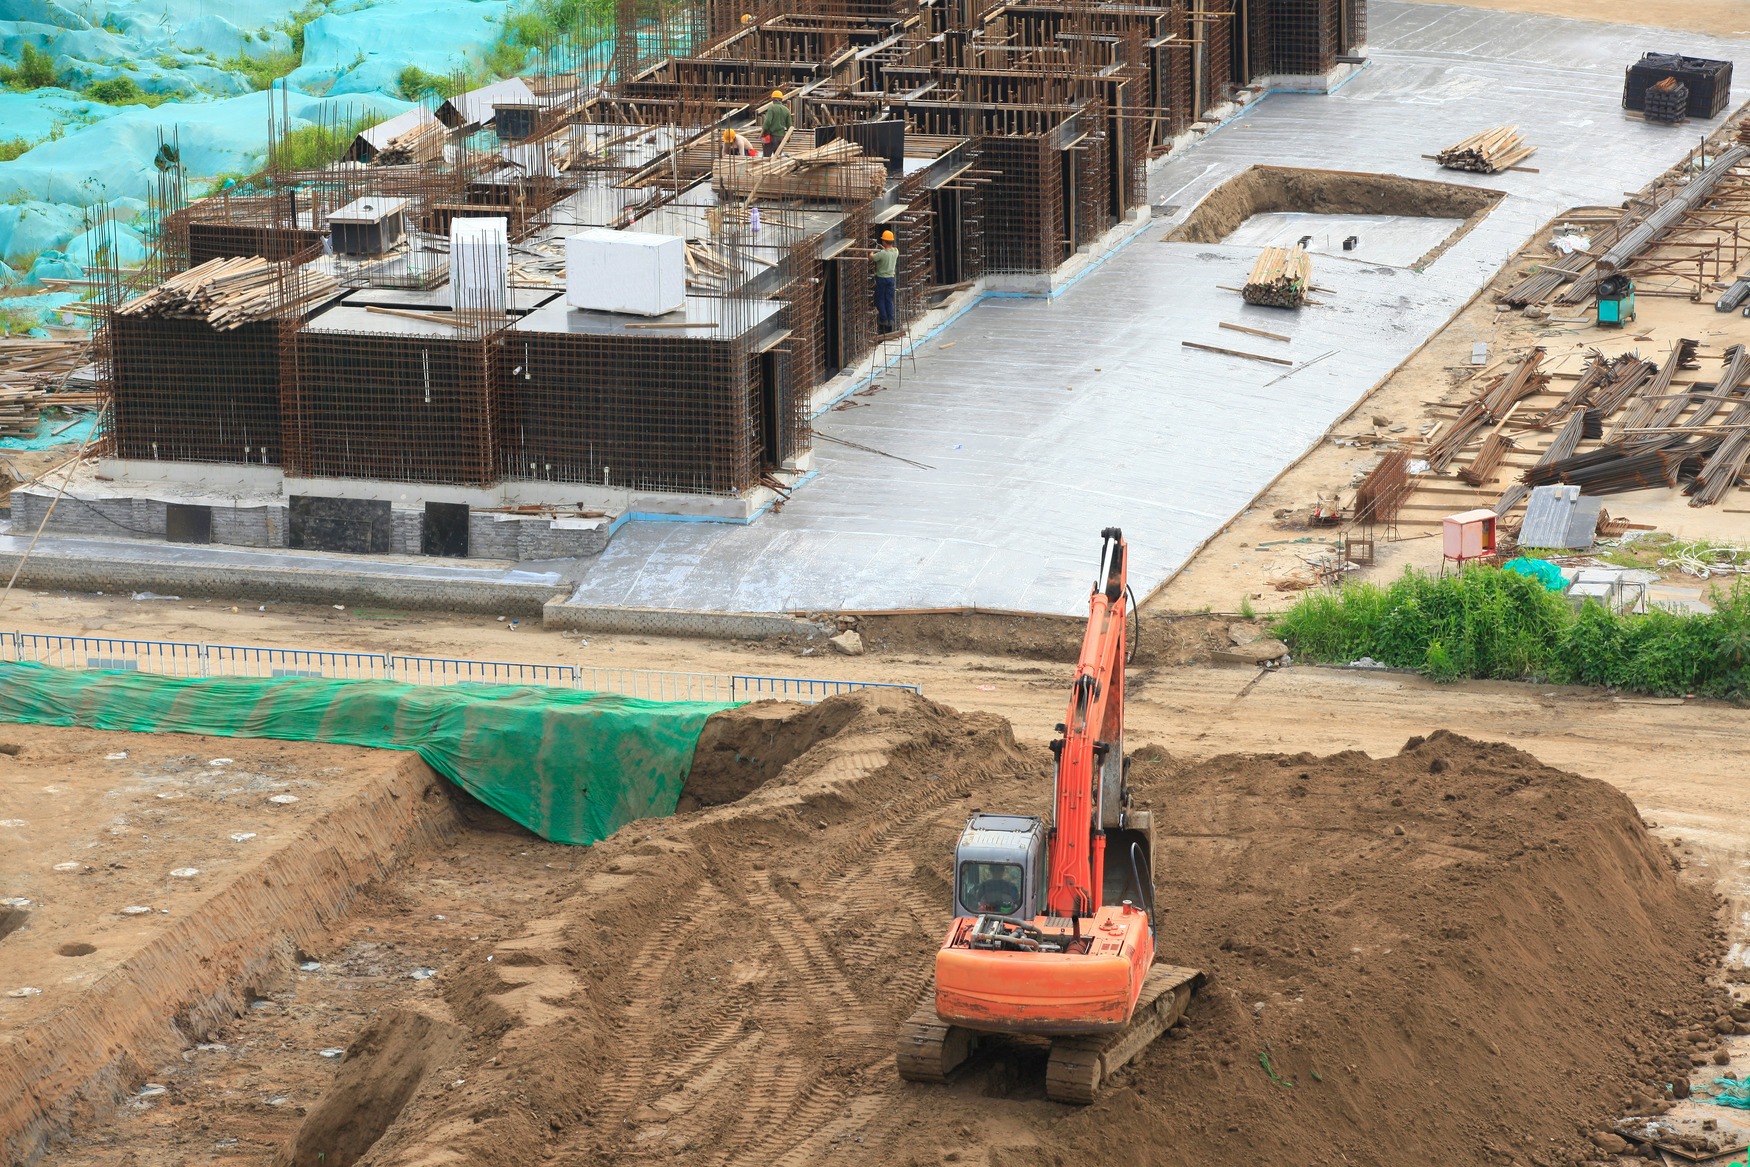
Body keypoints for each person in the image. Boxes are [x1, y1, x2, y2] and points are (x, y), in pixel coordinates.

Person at [873, 229, 898, 334]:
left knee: (880, 299)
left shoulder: (882, 253)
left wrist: (871, 252)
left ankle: (883, 319)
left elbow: (872, 258)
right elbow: (889, 251)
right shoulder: (896, 251)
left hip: (881, 279)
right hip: (891, 279)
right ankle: (891, 320)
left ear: (884, 242)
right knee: (889, 299)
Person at [761, 89, 791, 158]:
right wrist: (789, 137)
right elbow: (789, 125)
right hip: (781, 138)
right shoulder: (786, 110)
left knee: (766, 158)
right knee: (778, 158)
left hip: (770, 137)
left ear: (773, 99)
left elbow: (767, 122)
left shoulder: (771, 108)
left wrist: (762, 133)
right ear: (781, 99)